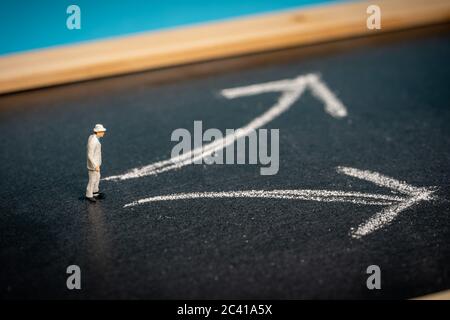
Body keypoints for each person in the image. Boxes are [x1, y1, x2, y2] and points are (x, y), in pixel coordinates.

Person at [85, 124, 106, 202]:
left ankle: (95, 192)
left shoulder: (94, 138)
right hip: (93, 165)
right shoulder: (93, 141)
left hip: (97, 164)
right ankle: (89, 195)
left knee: (97, 178)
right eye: (102, 131)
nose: (103, 133)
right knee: (92, 179)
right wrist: (95, 165)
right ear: (98, 132)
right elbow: (90, 155)